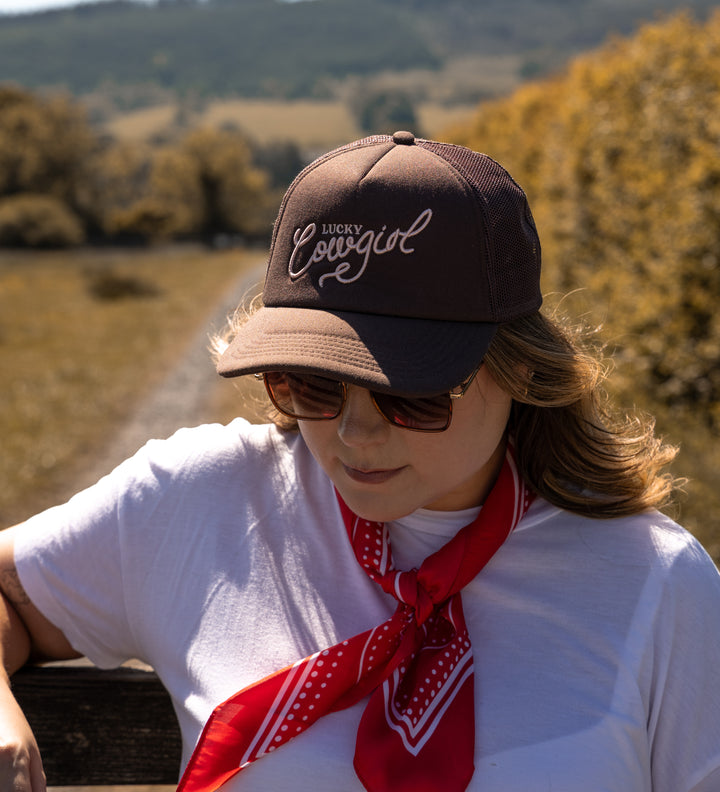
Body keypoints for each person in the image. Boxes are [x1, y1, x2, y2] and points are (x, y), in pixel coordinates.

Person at [1, 130, 719, 792]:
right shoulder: (202, 501)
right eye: (312, 384)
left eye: (414, 391)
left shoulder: (656, 583)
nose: (355, 432)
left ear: (520, 370)